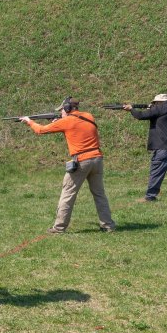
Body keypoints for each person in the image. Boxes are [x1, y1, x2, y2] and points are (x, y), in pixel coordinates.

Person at [22, 98, 116, 233]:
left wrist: (29, 121)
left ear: (66, 108)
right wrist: (59, 122)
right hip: (97, 159)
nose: (60, 112)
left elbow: (40, 130)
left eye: (61, 110)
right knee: (99, 194)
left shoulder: (66, 121)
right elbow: (77, 128)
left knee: (68, 194)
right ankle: (108, 225)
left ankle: (59, 227)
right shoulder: (89, 116)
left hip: (82, 160)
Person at [124, 94, 167, 201]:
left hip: (164, 144)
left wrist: (131, 109)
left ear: (158, 102)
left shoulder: (160, 107)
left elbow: (141, 115)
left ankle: (150, 196)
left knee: (157, 170)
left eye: (155, 103)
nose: (153, 105)